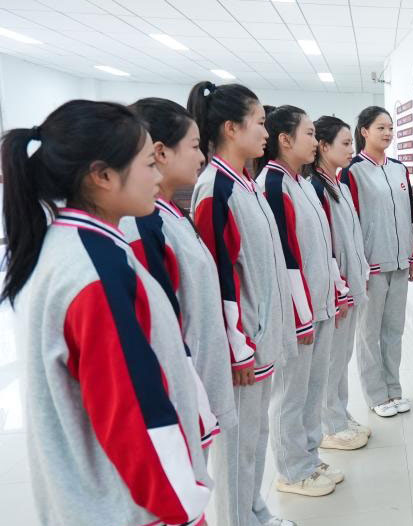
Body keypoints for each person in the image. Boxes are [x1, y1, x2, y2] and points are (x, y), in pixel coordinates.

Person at [2, 100, 211, 525]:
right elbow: (131, 410)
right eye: (148, 164)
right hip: (131, 507)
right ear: (102, 176)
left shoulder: (75, 247)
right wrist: (183, 506)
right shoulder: (96, 271)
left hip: (101, 499)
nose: (158, 176)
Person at [188, 81, 297, 526]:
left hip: (261, 335)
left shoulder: (246, 184)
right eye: (259, 123)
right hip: (243, 345)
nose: (266, 132)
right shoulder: (216, 189)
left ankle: (255, 512)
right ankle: (239, 518)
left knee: (255, 436)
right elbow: (218, 275)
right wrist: (237, 346)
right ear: (232, 128)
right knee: (237, 448)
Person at [119, 97, 235, 454]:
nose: (201, 157)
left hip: (198, 381)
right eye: (195, 146)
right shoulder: (143, 226)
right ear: (161, 152)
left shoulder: (171, 213)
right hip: (181, 392)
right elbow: (159, 330)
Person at [257, 105, 349, 498]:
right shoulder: (272, 184)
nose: (315, 141)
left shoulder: (302, 183)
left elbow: (321, 246)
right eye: (309, 134)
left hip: (319, 304)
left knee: (312, 389)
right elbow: (286, 256)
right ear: (285, 139)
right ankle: (292, 470)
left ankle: (309, 459)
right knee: (290, 395)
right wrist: (300, 314)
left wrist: (336, 289)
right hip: (299, 312)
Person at [340, 106, 413, 418]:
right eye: (380, 128)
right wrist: (357, 266)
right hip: (371, 266)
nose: (387, 133)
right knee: (368, 333)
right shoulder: (352, 171)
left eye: (390, 128)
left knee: (393, 331)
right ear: (364, 131)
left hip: (400, 263)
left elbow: (410, 215)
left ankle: (393, 389)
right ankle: (376, 395)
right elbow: (349, 223)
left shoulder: (399, 169)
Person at [310, 115, 373, 449]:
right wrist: (340, 288)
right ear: (323, 146)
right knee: (331, 360)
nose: (352, 149)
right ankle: (329, 424)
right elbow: (326, 247)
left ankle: (339, 413)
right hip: (337, 290)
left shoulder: (339, 185)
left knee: (341, 358)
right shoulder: (316, 188)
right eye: (345, 143)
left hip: (351, 285)